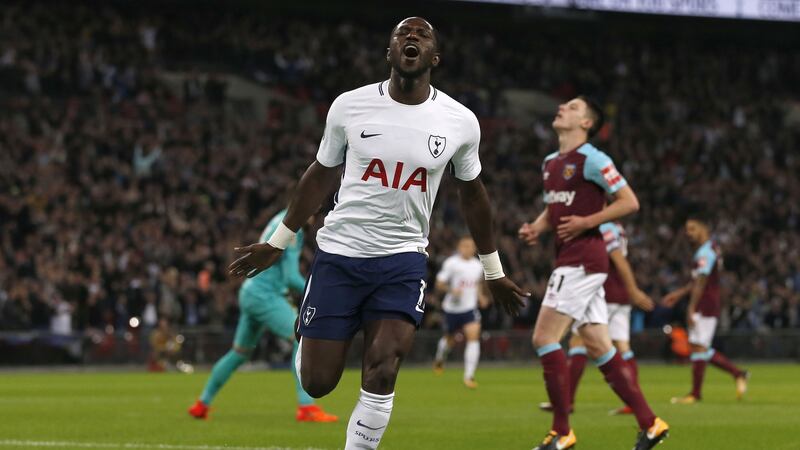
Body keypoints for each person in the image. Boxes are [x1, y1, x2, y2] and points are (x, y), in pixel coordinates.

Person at [228, 17, 527, 450]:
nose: (411, 38)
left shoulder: (460, 122)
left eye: (422, 35)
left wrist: (493, 270)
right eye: (402, 34)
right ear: (389, 53)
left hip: (402, 260)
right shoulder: (350, 106)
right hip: (340, 256)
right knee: (317, 383)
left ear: (434, 57)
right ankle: (308, 343)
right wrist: (279, 241)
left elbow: (474, 196)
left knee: (383, 368)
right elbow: (320, 174)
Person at [519, 96, 668, 450]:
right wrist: (538, 227)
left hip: (583, 259)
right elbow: (553, 206)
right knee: (600, 347)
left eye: (572, 107)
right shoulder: (550, 163)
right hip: (570, 257)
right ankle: (651, 423)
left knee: (544, 338)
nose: (562, 108)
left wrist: (589, 221)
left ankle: (562, 431)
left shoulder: (594, 159)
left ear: (586, 123)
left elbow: (629, 202)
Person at [188, 210, 337, 423]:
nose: (315, 219)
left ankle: (202, 404)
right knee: (302, 336)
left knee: (239, 353)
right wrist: (319, 294)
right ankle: (306, 407)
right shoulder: (294, 227)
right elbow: (291, 276)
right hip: (266, 295)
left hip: (251, 291)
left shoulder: (281, 218)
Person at [538, 221, 655, 415]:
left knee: (578, 343)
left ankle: (567, 401)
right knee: (623, 347)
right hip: (621, 295)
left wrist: (634, 289)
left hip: (604, 291)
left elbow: (618, 259)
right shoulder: (618, 226)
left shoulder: (604, 226)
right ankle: (634, 404)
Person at [662, 213, 749, 404]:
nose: (689, 233)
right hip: (708, 302)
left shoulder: (705, 252)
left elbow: (701, 283)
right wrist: (679, 294)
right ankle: (736, 374)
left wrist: (690, 308)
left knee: (700, 347)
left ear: (704, 229)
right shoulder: (711, 249)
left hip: (705, 304)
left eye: (693, 229)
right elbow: (698, 280)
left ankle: (697, 392)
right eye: (686, 230)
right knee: (698, 348)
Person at [433, 236, 488, 389]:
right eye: (464, 245)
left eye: (470, 246)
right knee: (448, 340)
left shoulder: (478, 265)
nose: (467, 248)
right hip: (451, 309)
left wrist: (481, 296)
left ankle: (469, 375)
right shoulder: (452, 263)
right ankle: (440, 358)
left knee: (473, 338)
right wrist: (451, 289)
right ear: (459, 247)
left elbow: (477, 284)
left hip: (469, 309)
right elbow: (439, 284)